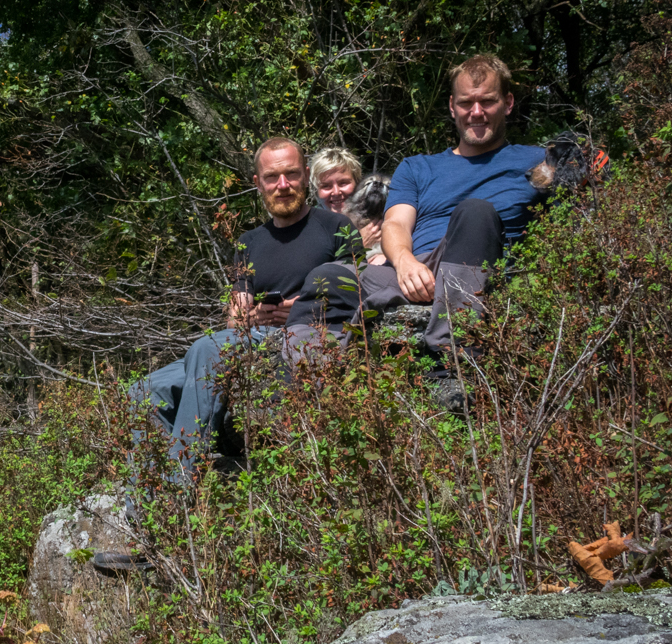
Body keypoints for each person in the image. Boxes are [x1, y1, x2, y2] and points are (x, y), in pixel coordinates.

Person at [97, 139, 362, 573]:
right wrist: (256, 312)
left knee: (206, 347)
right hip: (252, 340)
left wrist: (293, 306)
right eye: (272, 177)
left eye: (291, 174)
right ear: (257, 183)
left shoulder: (335, 227)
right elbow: (236, 319)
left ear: (304, 176)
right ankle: (148, 524)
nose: (282, 184)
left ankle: (171, 529)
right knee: (143, 390)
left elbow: (352, 290)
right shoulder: (249, 242)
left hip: (300, 343)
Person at [361, 54, 545, 379]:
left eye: (487, 101)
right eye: (466, 103)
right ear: (451, 106)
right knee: (330, 276)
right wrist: (404, 263)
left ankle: (452, 360)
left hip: (482, 272)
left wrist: (588, 159)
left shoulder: (538, 161)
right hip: (416, 272)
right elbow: (395, 224)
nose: (476, 112)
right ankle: (299, 393)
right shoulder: (418, 167)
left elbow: (595, 172)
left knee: (475, 212)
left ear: (508, 102)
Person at [310, 147, 386, 264]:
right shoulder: (311, 228)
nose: (336, 192)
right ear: (316, 192)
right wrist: (359, 243)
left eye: (343, 183)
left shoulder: (378, 220)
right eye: (326, 186)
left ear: (358, 184)